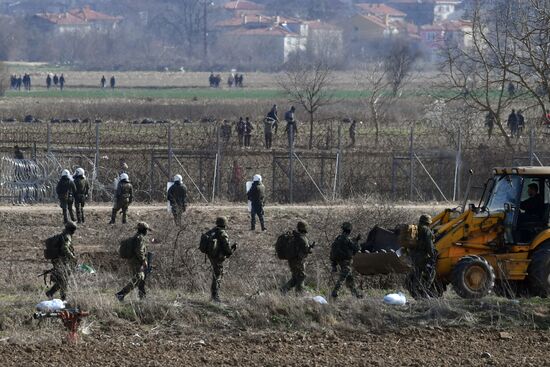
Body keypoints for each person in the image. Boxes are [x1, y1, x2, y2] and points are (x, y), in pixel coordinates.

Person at [116, 222, 152, 301]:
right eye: (146, 230)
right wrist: (143, 260)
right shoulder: (140, 238)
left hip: (133, 260)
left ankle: (142, 297)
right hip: (136, 261)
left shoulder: (135, 237)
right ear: (144, 230)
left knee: (141, 279)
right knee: (138, 278)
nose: (147, 232)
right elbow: (139, 251)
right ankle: (121, 294)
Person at [206, 217, 237, 302]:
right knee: (218, 276)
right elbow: (228, 250)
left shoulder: (212, 231)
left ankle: (214, 296)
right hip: (218, 258)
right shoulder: (222, 233)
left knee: (216, 274)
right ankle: (215, 296)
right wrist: (233, 248)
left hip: (211, 256)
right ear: (225, 224)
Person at [45, 221, 78, 301]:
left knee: (62, 279)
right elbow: (65, 248)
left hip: (57, 260)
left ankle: (52, 293)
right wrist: (72, 257)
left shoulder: (62, 235)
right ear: (72, 229)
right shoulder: (67, 236)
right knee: (64, 279)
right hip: (62, 261)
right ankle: (62, 297)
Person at [330, 222, 362, 298]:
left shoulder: (338, 238)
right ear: (349, 230)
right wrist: (357, 241)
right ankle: (334, 292)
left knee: (350, 279)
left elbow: (333, 251)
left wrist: (334, 264)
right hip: (345, 262)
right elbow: (357, 249)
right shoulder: (347, 239)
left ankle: (355, 295)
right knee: (342, 278)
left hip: (339, 261)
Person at [281, 221, 315, 294]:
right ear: (304, 228)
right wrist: (310, 248)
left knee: (295, 278)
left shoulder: (295, 236)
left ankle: (283, 290)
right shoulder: (302, 238)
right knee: (301, 276)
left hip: (292, 260)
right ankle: (299, 294)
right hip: (298, 261)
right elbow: (306, 250)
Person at [408, 214, 437, 297]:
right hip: (422, 256)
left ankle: (414, 291)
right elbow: (429, 244)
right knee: (431, 272)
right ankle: (424, 290)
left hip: (413, 255)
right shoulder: (426, 230)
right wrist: (432, 254)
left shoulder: (416, 228)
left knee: (417, 273)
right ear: (428, 222)